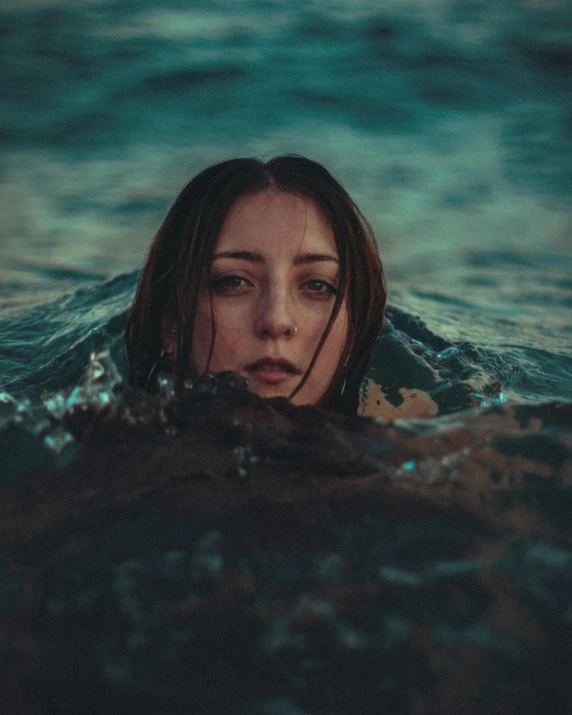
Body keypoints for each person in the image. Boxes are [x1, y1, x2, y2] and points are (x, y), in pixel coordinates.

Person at [124, 155, 386, 415]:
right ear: (173, 325)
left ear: (353, 333)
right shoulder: (109, 447)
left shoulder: (409, 445)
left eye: (318, 285)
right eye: (233, 281)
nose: (276, 321)